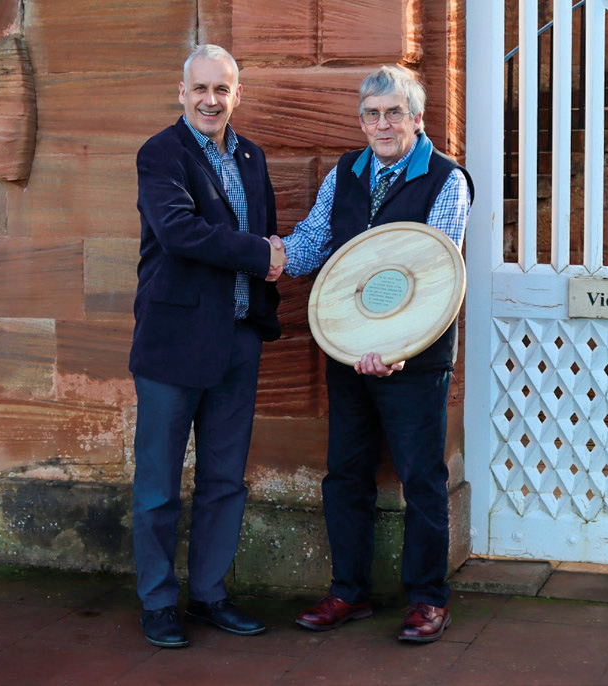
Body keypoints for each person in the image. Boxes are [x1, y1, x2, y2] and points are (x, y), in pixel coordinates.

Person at [276, 65, 473, 643]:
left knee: (421, 478)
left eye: (393, 112)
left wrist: (399, 349)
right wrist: (262, 254)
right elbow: (314, 242)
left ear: (417, 118)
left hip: (416, 359)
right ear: (360, 120)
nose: (382, 124)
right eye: (371, 113)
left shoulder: (446, 181)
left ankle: (428, 600)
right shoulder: (345, 173)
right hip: (348, 352)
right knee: (346, 475)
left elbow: (439, 277)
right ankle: (348, 592)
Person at [129, 44, 286, 648]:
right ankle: (159, 602)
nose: (210, 100)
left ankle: (210, 594)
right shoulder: (160, 154)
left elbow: (262, 225)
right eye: (201, 89)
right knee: (158, 485)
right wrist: (262, 254)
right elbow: (179, 232)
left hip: (237, 343)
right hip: (172, 346)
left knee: (225, 481)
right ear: (182, 91)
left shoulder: (252, 155)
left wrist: (272, 261)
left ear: (237, 95)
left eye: (222, 90)